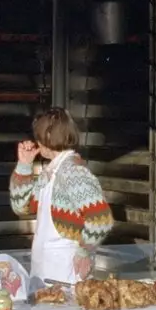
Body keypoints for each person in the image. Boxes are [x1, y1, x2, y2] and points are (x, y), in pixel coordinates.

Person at [9, 107, 114, 288]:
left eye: (39, 137)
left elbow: (101, 220)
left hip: (66, 268)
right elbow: (22, 207)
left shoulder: (74, 173)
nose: (37, 142)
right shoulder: (50, 172)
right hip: (45, 266)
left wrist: (84, 251)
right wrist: (24, 166)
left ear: (49, 137)